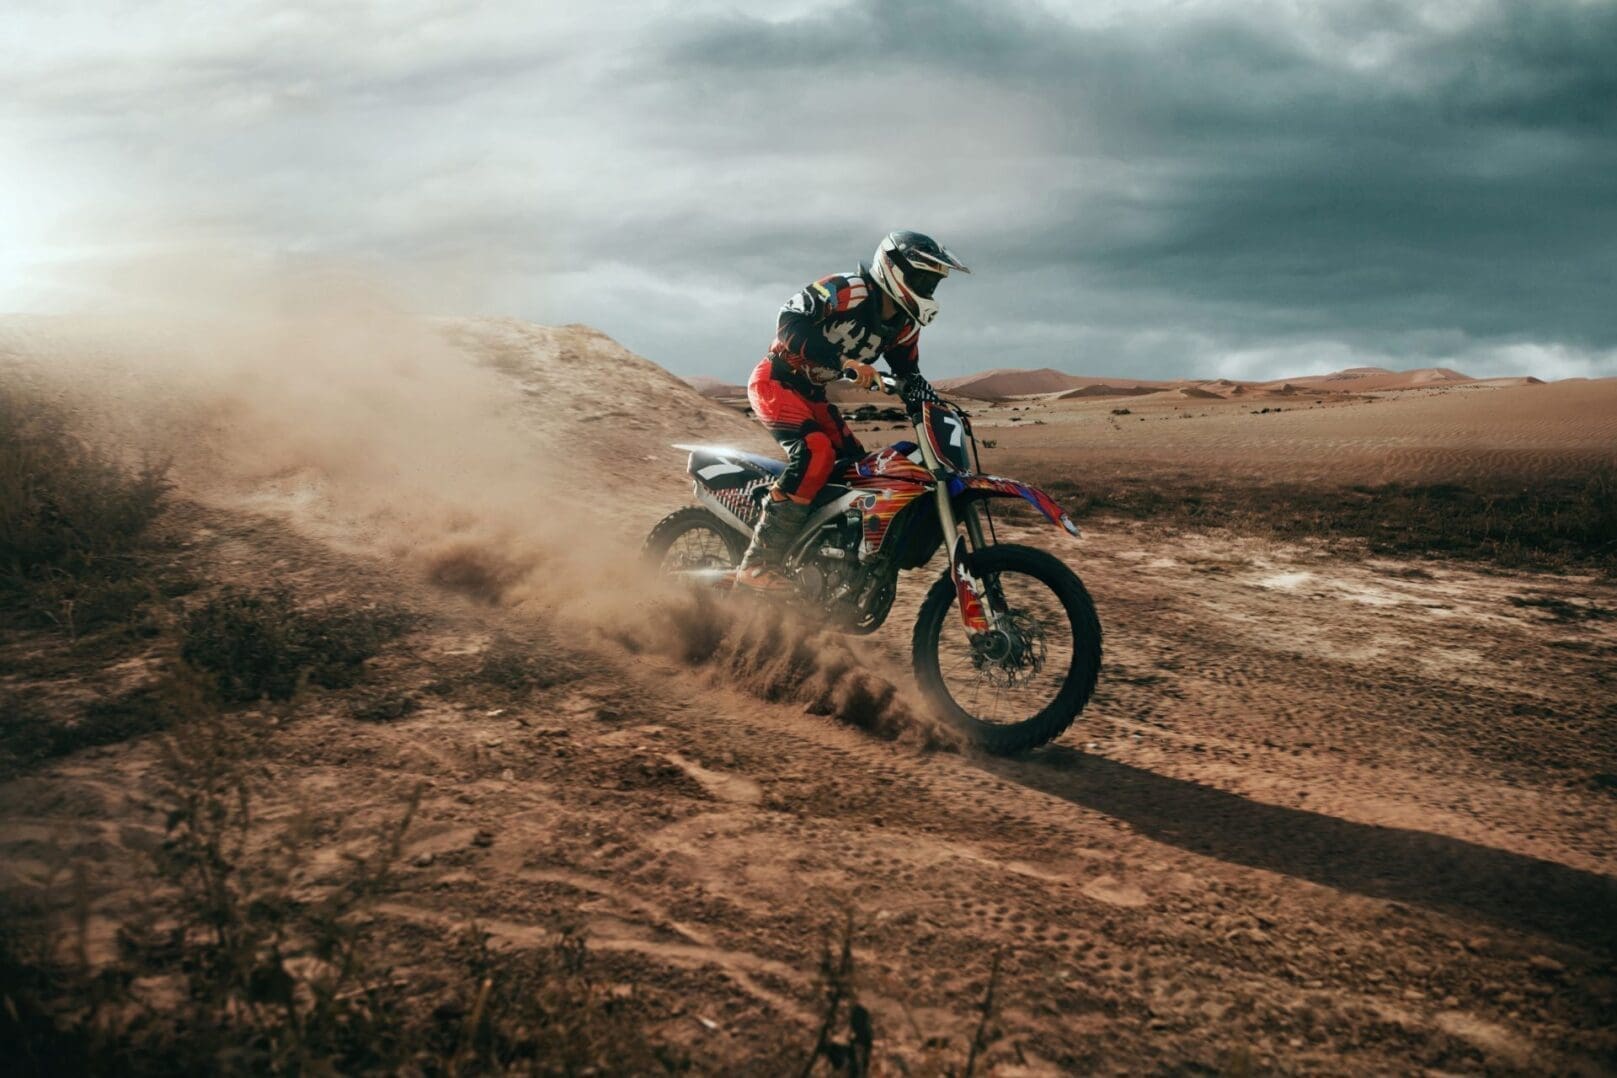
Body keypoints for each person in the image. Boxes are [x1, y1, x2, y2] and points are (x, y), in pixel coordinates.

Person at [735, 230, 969, 592]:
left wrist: (933, 403)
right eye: (922, 279)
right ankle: (758, 562)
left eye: (932, 282)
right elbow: (788, 322)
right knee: (815, 452)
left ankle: (820, 561)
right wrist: (841, 360)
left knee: (858, 472)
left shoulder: (904, 327)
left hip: (812, 394)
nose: (928, 289)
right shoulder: (848, 290)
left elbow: (910, 376)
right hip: (775, 381)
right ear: (895, 269)